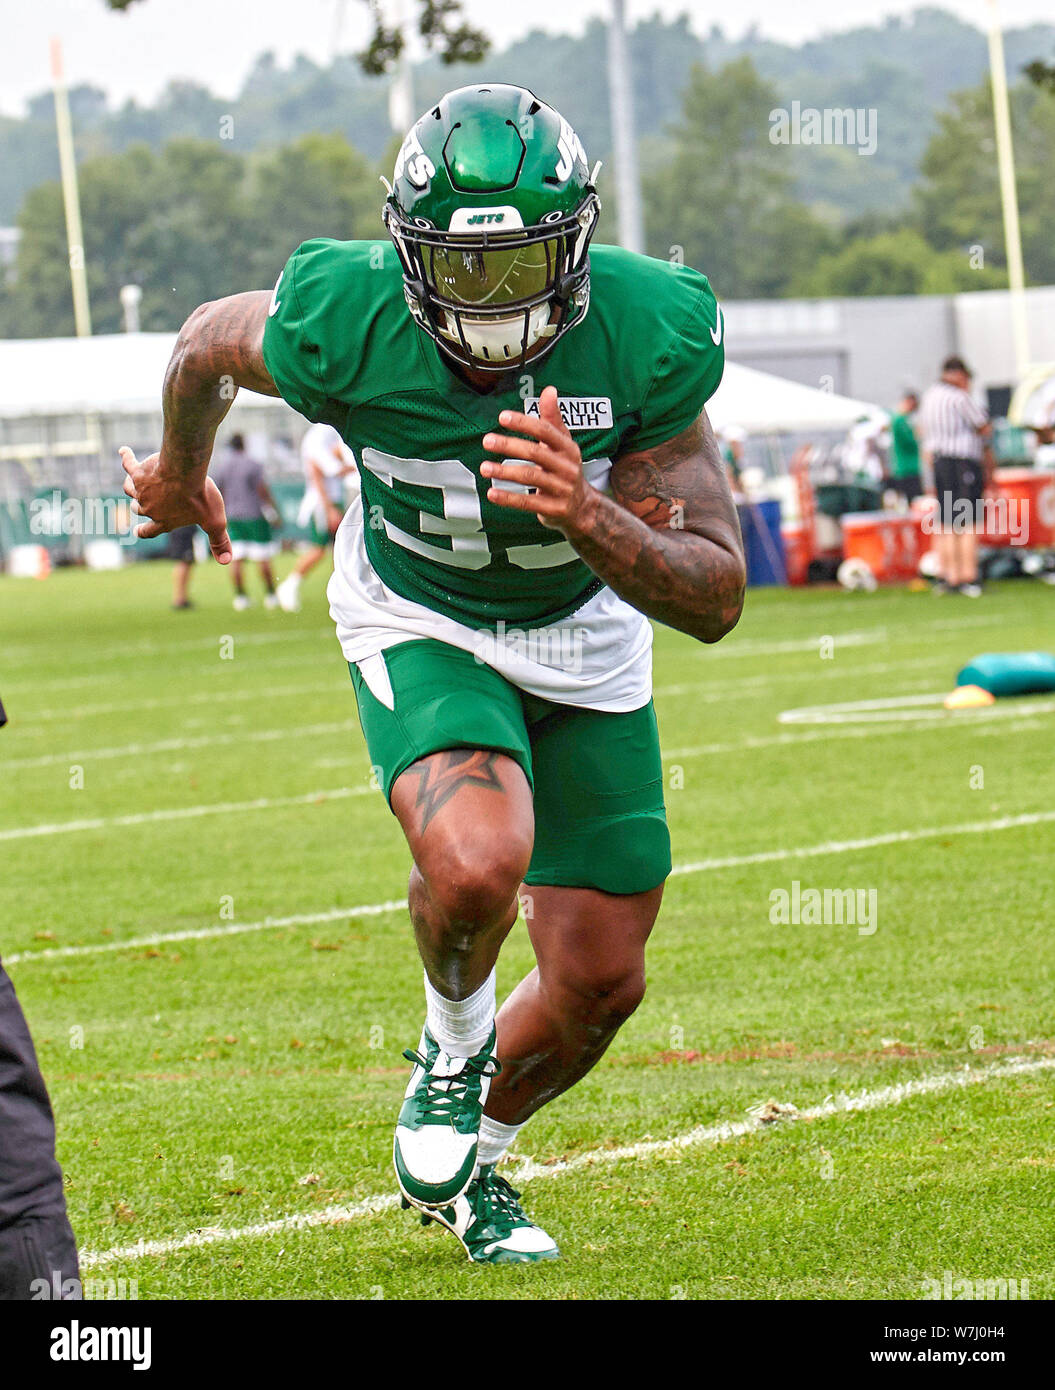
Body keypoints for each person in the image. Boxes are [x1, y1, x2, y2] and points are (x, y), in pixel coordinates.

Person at [119, 85, 745, 1265]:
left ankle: (473, 1170)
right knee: (474, 860)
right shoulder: (339, 313)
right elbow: (205, 337)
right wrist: (174, 471)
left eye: (518, 270)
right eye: (463, 273)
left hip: (583, 632)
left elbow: (713, 595)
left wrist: (589, 515)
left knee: (601, 981)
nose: (491, 306)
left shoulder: (646, 325)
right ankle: (450, 1045)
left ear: (576, 250)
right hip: (420, 609)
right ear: (407, 257)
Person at [918, 355, 992, 597]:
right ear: (959, 374)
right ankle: (968, 575)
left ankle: (948, 575)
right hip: (962, 463)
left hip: (939, 463)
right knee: (968, 521)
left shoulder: (929, 398)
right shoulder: (959, 398)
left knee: (947, 521)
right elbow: (983, 426)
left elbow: (922, 434)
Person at [274, 424, 357, 613]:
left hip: (332, 500)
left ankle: (343, 594)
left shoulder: (327, 430)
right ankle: (289, 585)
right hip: (322, 503)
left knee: (341, 550)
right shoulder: (321, 433)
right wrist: (328, 508)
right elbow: (316, 470)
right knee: (319, 549)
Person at [209, 432, 281, 610]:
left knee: (237, 559)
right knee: (262, 556)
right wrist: (274, 511)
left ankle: (241, 597)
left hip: (232, 516)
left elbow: (217, 491)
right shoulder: (253, 464)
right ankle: (271, 595)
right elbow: (262, 490)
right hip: (254, 515)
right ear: (244, 445)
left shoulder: (223, 466)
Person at [887, 391, 922, 503]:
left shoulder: (900, 419)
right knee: (913, 501)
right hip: (907, 467)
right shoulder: (900, 420)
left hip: (905, 466)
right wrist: (918, 434)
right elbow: (910, 442)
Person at [165, 525, 196, 609]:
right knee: (183, 561)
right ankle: (179, 599)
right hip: (181, 527)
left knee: (185, 562)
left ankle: (182, 598)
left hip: (181, 527)